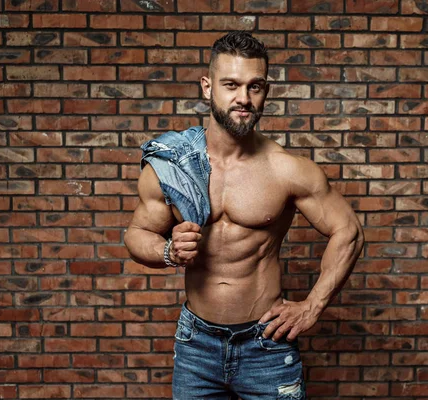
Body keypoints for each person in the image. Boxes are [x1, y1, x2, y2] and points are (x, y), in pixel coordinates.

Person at [124, 31, 364, 400]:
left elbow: (348, 231)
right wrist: (168, 252)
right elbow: (137, 233)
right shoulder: (171, 166)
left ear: (266, 91)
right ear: (208, 88)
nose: (243, 98)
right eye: (231, 84)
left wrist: (312, 307)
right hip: (196, 345)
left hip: (266, 345)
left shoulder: (287, 169)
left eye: (255, 86)